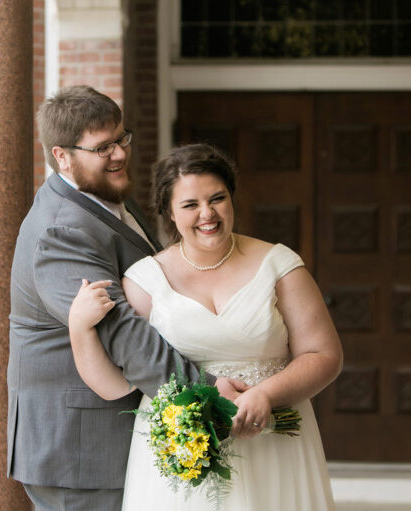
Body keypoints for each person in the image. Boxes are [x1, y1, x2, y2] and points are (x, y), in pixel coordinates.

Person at [69, 144, 343, 510]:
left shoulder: (279, 265)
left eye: (218, 198)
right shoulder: (145, 281)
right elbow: (114, 385)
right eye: (190, 205)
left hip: (275, 446)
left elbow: (324, 355)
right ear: (168, 211)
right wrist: (80, 328)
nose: (207, 214)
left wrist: (265, 395)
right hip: (183, 459)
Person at [7, 86, 234, 511]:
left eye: (121, 139)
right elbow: (122, 331)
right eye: (102, 147)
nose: (119, 155)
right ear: (62, 156)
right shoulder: (63, 230)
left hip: (108, 442)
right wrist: (208, 396)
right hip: (80, 451)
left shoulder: (109, 195)